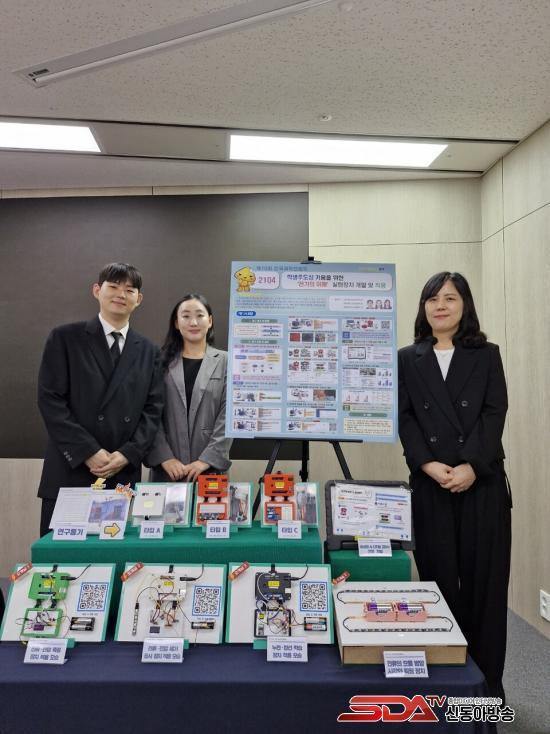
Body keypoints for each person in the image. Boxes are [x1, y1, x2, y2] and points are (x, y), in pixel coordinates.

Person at [398, 271, 511, 702]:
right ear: (423, 307)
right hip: (431, 484)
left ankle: (487, 690)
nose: (440, 306)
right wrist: (428, 464)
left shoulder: (486, 354)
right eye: (432, 299)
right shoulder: (408, 357)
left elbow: (494, 413)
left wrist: (471, 466)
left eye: (450, 298)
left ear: (465, 305)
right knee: (438, 583)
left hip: (481, 484)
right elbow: (405, 417)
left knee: (485, 588)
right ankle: (447, 683)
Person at [37, 263, 164, 536]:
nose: (121, 294)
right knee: (62, 557)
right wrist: (87, 452)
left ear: (139, 299)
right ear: (97, 290)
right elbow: (51, 401)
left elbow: (153, 410)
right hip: (71, 468)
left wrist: (127, 454)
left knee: (113, 556)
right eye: (113, 286)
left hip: (120, 473)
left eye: (129, 290)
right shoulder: (65, 338)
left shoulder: (149, 350)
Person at [145, 294, 231, 482]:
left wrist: (207, 459)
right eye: (186, 316)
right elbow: (149, 412)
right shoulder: (159, 361)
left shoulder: (227, 362)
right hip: (168, 470)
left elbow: (230, 414)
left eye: (200, 315)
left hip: (210, 471)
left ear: (210, 321)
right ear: (176, 323)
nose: (193, 322)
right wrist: (165, 457)